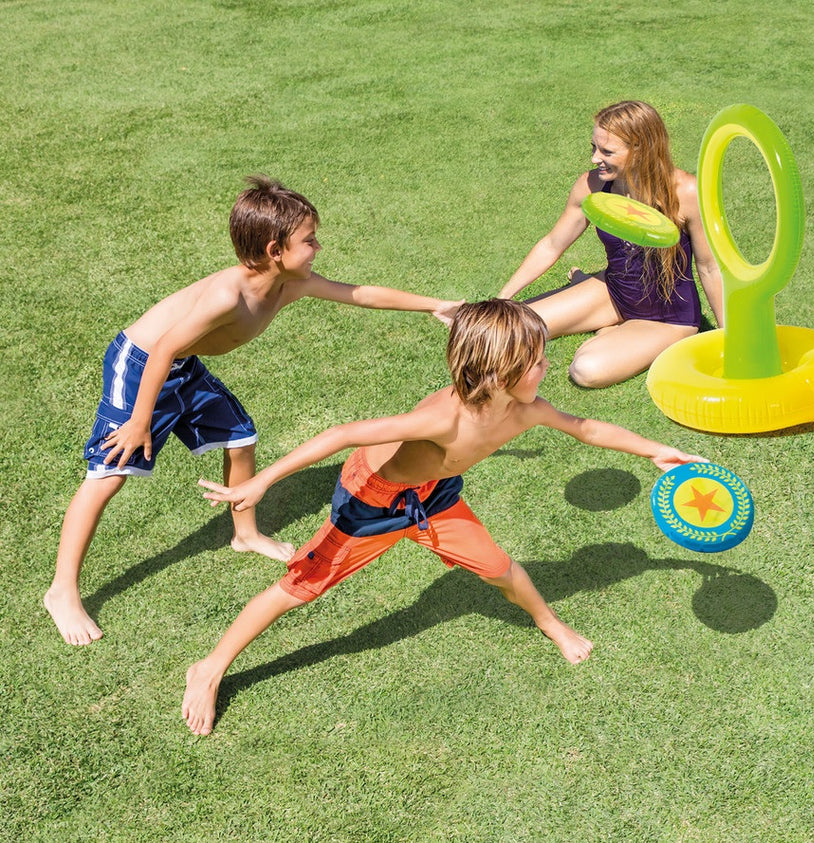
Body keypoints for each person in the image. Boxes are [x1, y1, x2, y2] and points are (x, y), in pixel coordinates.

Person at [183, 299, 704, 735]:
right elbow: (342, 435)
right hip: (373, 499)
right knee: (300, 586)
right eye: (538, 361)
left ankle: (552, 625)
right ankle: (208, 668)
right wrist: (259, 480)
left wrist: (656, 450)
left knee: (499, 567)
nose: (546, 368)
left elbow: (587, 428)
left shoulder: (528, 408)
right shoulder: (441, 417)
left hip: (434, 496)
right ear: (499, 372)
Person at [45, 175, 462, 647]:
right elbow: (162, 349)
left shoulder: (290, 284)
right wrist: (139, 422)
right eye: (309, 241)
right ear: (274, 250)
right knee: (110, 470)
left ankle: (245, 534)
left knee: (240, 436)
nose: (318, 248)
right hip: (141, 366)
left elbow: (359, 293)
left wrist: (435, 306)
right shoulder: (229, 296)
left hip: (180, 367)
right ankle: (62, 590)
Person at [497, 100, 723, 388]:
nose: (594, 158)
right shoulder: (592, 185)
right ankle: (604, 313)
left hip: (668, 317)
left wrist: (727, 335)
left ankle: (610, 330)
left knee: (586, 369)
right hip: (613, 292)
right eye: (593, 147)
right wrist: (501, 299)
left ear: (641, 150)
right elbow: (552, 245)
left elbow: (709, 266)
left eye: (606, 151)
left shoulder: (687, 192)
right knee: (507, 329)